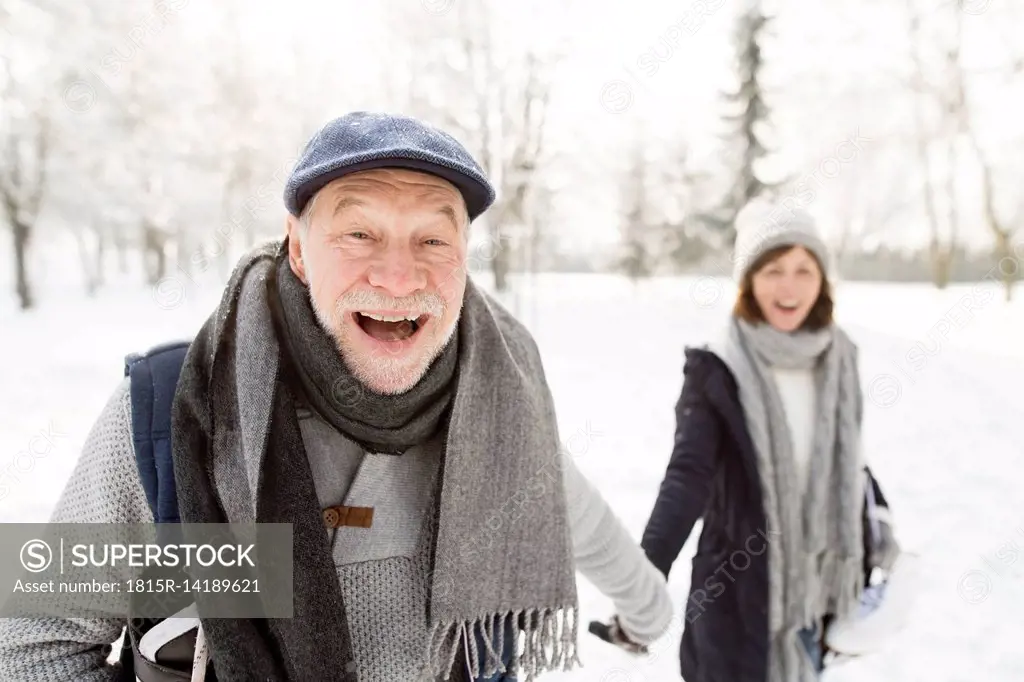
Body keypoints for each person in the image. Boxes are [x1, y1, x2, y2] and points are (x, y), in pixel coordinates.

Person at [0, 112, 673, 682]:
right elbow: (33, 643)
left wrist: (650, 615)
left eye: (433, 239)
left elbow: (589, 527)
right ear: (298, 249)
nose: (398, 274)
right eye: (360, 233)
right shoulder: (170, 410)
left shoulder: (500, 415)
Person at [639, 199, 901, 682]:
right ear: (749, 279)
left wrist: (879, 523)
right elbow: (687, 476)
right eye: (774, 269)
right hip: (736, 597)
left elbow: (850, 459)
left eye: (805, 269)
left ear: (823, 278)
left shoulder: (840, 358)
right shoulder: (716, 367)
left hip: (818, 595)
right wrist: (645, 570)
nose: (789, 286)